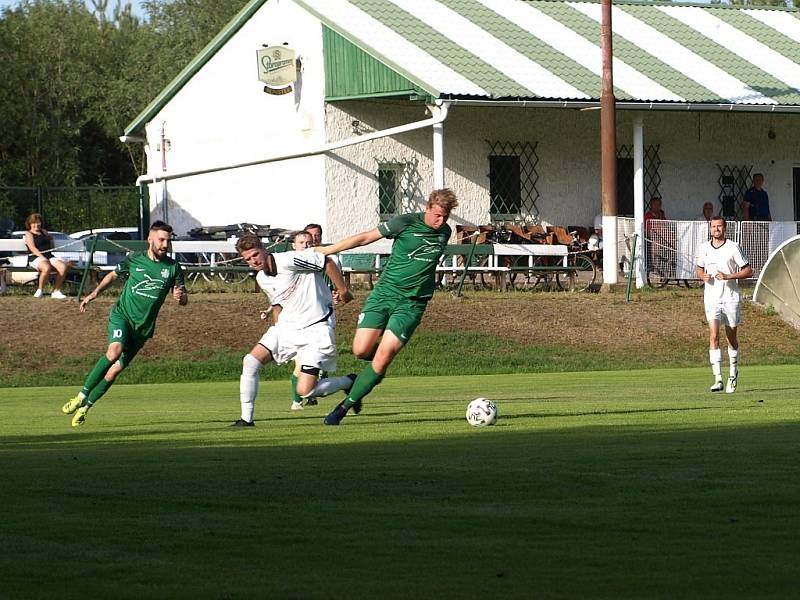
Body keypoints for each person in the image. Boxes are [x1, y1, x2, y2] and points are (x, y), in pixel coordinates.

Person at [315, 188, 458, 426]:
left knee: (384, 356)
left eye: (445, 217)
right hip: (384, 295)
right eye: (437, 215)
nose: (440, 221)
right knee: (360, 350)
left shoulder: (445, 231)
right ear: (427, 208)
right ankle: (363, 378)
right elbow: (365, 238)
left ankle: (342, 409)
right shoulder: (404, 222)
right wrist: (328, 250)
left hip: (413, 303)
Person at [61, 221, 188, 427]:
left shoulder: (173, 267)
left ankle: (86, 407)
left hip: (143, 328)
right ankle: (80, 396)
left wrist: (180, 296)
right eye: (161, 240)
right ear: (150, 239)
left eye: (168, 240)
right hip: (122, 316)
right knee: (113, 352)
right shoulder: (135, 260)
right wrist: (94, 293)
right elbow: (113, 275)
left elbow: (184, 300)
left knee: (115, 371)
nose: (165, 244)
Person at [232, 231, 355, 426]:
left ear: (264, 250)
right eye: (248, 259)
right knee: (250, 362)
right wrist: (277, 328)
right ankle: (246, 419)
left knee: (305, 391)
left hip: (315, 328)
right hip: (287, 328)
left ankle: (349, 382)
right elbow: (278, 304)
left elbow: (326, 262)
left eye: (255, 255)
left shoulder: (290, 260)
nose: (253, 261)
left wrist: (343, 290)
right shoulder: (261, 279)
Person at [695, 216, 753, 394]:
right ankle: (718, 378)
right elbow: (699, 268)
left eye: (719, 226)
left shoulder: (733, 247)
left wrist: (728, 276)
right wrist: (702, 276)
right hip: (712, 297)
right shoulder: (704, 248)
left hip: (730, 297)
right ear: (710, 228)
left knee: (731, 338)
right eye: (713, 227)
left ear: (724, 228)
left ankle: (733, 373)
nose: (716, 229)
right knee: (713, 335)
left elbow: (748, 270)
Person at [23, 213, 71, 299]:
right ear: (30, 224)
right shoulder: (28, 234)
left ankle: (56, 291)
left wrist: (51, 239)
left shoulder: (44, 232)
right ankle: (40, 290)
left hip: (49, 256)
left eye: (38, 222)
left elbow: (51, 246)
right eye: (34, 223)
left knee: (63, 266)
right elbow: (33, 248)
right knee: (46, 267)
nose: (36, 225)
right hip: (35, 257)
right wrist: (43, 258)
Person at [644, 197, 667, 273]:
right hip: (651, 237)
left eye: (659, 204)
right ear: (651, 205)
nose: (657, 206)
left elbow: (666, 226)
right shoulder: (648, 215)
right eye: (655, 204)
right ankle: (655, 268)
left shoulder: (662, 215)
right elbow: (647, 230)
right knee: (655, 243)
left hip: (664, 237)